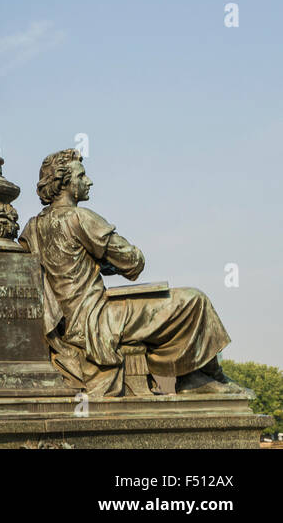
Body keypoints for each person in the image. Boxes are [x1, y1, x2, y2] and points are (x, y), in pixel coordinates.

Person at [20, 150, 238, 397]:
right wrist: (105, 258)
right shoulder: (80, 218)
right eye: (82, 176)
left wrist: (95, 259)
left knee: (184, 303)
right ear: (65, 183)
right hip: (97, 320)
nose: (88, 181)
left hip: (68, 324)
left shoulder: (32, 227)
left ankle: (196, 376)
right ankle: (198, 378)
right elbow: (133, 263)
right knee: (193, 300)